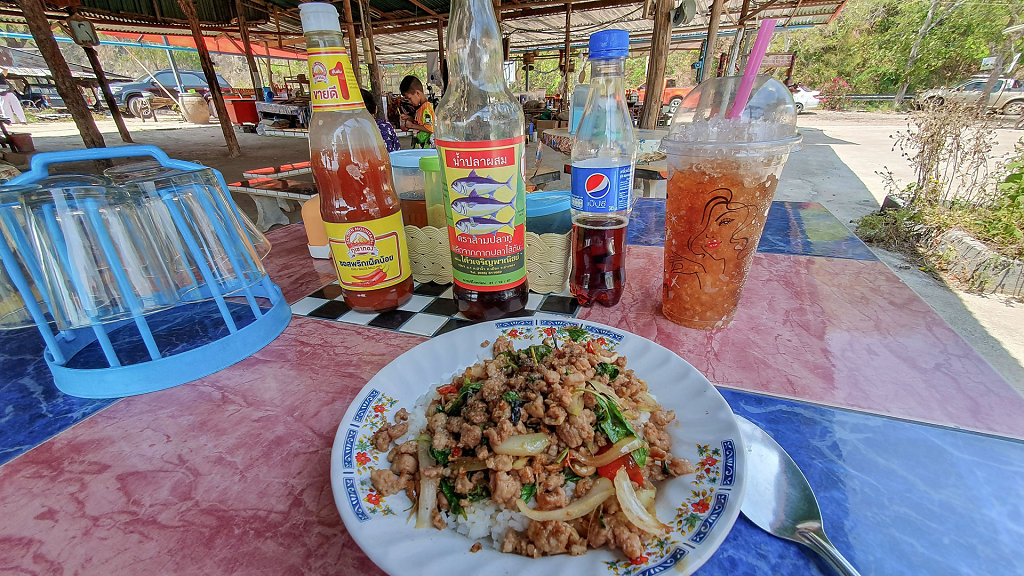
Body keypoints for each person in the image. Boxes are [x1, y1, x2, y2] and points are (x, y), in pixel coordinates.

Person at [399, 75, 434, 148]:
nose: (410, 102)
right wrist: (409, 118)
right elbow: (421, 123)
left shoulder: (426, 108)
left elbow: (430, 128)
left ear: (417, 93)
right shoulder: (420, 108)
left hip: (426, 148)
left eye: (409, 98)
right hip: (419, 145)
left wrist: (412, 126)